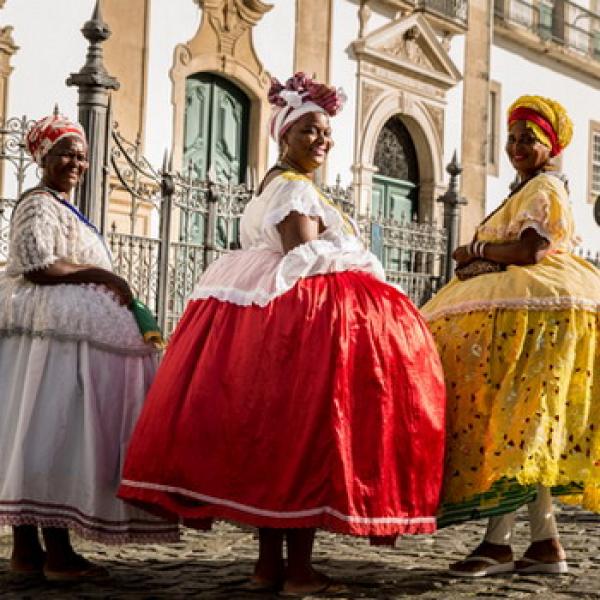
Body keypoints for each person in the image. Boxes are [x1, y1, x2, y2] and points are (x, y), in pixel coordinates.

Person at [118, 73, 446, 596]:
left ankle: (270, 565)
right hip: (299, 329)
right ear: (284, 135)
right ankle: (297, 572)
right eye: (310, 131)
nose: (322, 140)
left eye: (326, 133)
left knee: (271, 444)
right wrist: (363, 265)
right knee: (304, 442)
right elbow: (304, 256)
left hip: (269, 320)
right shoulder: (294, 188)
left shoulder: (279, 184)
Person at [421, 95, 600, 577]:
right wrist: (480, 259)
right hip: (516, 322)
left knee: (516, 428)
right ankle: (545, 543)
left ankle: (498, 545)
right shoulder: (525, 190)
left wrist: (477, 249)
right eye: (514, 138)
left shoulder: (545, 190)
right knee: (525, 430)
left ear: (550, 147)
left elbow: (529, 249)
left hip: (536, 325)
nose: (518, 146)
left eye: (529, 139)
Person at [0, 114, 178, 581]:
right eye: (64, 153)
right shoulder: (38, 204)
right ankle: (51, 551)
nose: (75, 162)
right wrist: (102, 276)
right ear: (43, 157)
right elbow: (38, 264)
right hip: (47, 339)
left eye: (80, 155)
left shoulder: (61, 206)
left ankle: (29, 551)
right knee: (50, 431)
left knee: (44, 432)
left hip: (59, 337)